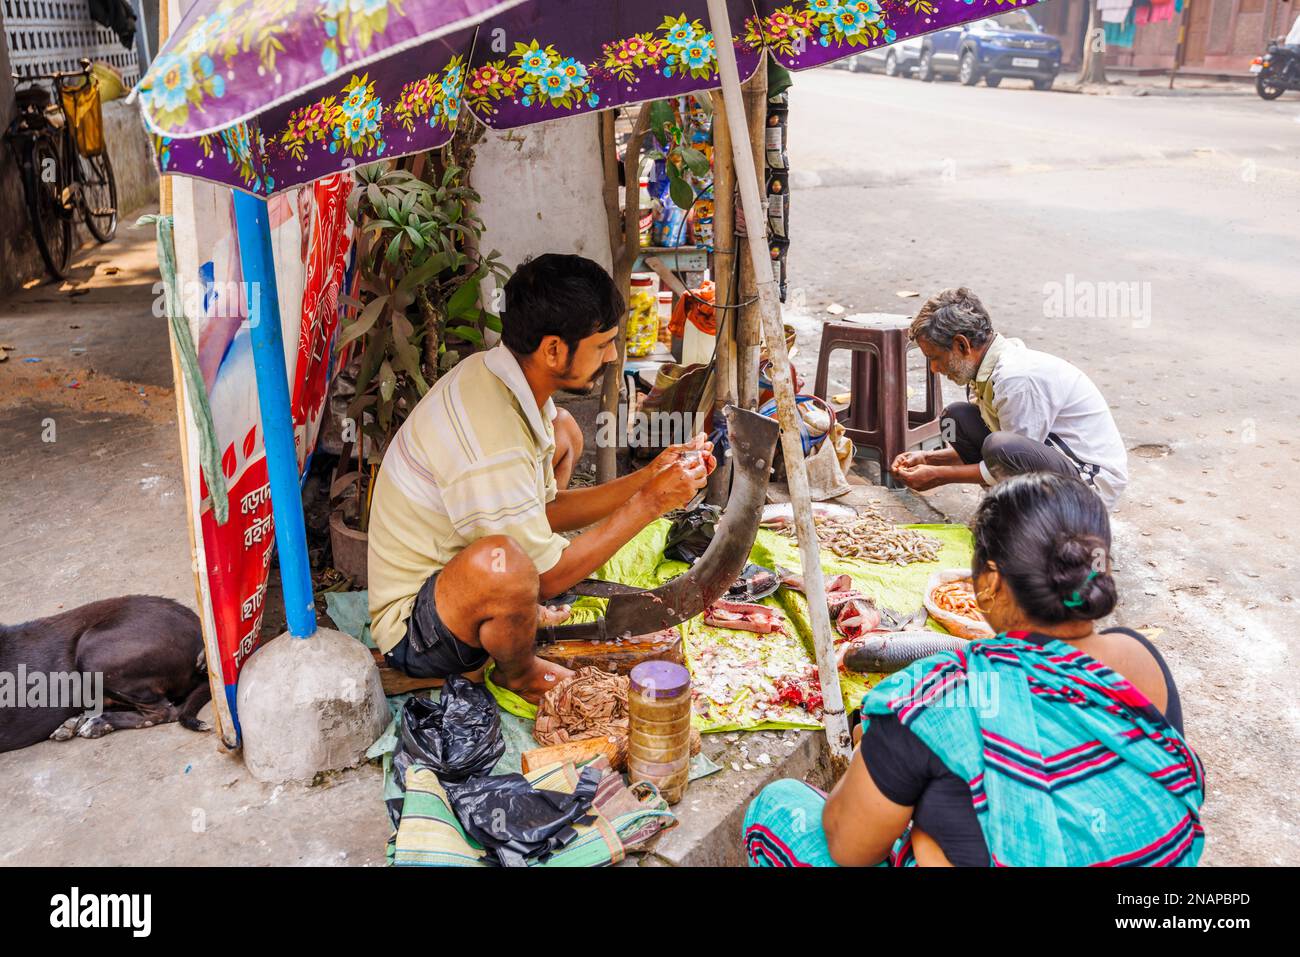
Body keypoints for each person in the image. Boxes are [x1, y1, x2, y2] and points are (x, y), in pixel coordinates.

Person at [743, 472, 1204, 867]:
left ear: (991, 584)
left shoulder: (938, 696)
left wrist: (879, 751)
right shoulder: (1140, 656)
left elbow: (849, 846)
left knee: (777, 807)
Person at [367, 254, 715, 703]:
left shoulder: (502, 377)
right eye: (603, 344)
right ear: (553, 349)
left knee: (564, 430)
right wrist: (649, 502)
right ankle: (520, 672)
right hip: (415, 632)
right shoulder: (492, 438)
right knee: (506, 564)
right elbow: (544, 577)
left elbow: (545, 512)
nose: (612, 356)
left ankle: (509, 612)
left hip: (456, 574)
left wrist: (651, 476)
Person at [890, 287, 1128, 509]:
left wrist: (939, 476)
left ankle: (1045, 517)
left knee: (1000, 445)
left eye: (935, 357)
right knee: (955, 417)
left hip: (1089, 485)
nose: (933, 368)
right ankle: (1011, 505)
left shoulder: (1016, 379)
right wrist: (929, 459)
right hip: (1043, 462)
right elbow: (1009, 456)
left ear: (961, 345)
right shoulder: (986, 369)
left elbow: (1012, 458)